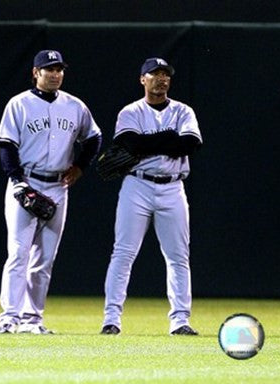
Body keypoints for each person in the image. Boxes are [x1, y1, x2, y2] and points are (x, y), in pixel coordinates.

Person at [0, 50, 102, 334]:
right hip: (26, 183)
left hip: (58, 186)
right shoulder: (19, 104)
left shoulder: (75, 106)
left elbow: (94, 138)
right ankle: (9, 318)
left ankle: (33, 319)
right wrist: (16, 180)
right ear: (35, 73)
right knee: (18, 254)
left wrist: (80, 166)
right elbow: (6, 145)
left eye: (59, 69)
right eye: (48, 69)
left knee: (44, 259)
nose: (55, 74)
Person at [101, 58, 202, 336]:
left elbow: (190, 144)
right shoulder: (130, 112)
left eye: (165, 74)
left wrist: (147, 144)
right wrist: (169, 139)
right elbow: (129, 143)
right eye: (154, 74)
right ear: (142, 79)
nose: (161, 79)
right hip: (137, 186)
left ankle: (180, 320)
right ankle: (111, 319)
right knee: (123, 253)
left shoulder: (183, 111)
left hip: (173, 188)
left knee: (179, 257)